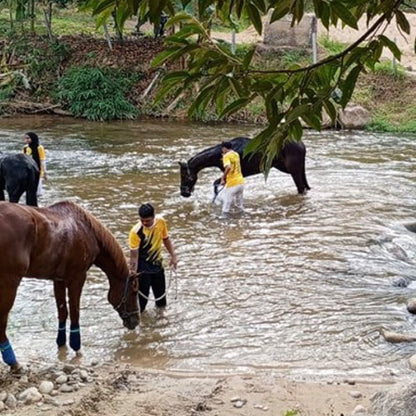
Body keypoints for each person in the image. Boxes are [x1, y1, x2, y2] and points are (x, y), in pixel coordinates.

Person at [128, 203, 178, 313]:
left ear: (154, 217)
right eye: (142, 220)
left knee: (161, 301)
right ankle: (141, 325)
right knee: (141, 304)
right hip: (142, 270)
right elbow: (133, 256)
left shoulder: (161, 222)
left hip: (157, 266)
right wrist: (133, 275)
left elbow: (166, 239)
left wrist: (173, 256)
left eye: (148, 220)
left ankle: (160, 324)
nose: (145, 223)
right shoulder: (135, 232)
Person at [220, 141, 244, 214]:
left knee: (226, 205)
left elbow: (228, 167)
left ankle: (224, 220)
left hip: (232, 183)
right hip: (241, 182)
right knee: (239, 205)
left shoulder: (226, 156)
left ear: (224, 148)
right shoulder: (236, 154)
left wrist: (222, 178)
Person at [23, 132, 47, 196]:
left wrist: (45, 172)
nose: (26, 140)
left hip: (38, 170)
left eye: (28, 138)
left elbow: (42, 160)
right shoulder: (25, 148)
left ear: (33, 138)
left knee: (38, 190)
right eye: (25, 138)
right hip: (27, 170)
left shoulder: (39, 147)